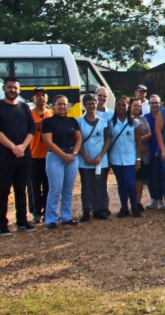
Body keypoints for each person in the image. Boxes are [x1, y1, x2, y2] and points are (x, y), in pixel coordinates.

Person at [0, 77, 37, 235]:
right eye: (9, 87)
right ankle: (2, 224)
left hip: (24, 156)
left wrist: (22, 147)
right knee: (3, 191)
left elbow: (31, 129)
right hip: (4, 157)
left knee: (21, 190)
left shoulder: (24, 107)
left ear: (19, 90)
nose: (12, 90)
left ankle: (22, 221)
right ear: (4, 88)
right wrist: (12, 147)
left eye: (15, 88)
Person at [41, 94, 82, 227]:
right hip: (55, 157)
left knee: (68, 189)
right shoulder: (48, 122)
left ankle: (66, 216)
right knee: (55, 189)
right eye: (59, 103)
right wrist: (64, 155)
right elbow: (48, 141)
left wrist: (74, 153)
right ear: (54, 106)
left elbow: (79, 139)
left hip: (71, 156)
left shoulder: (72, 121)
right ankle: (51, 219)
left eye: (64, 104)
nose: (62, 106)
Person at [77, 93, 111, 222]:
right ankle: (86, 210)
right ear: (84, 105)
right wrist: (85, 157)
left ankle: (100, 209)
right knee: (86, 185)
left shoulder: (103, 122)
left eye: (93, 103)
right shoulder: (78, 122)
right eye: (88, 103)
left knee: (100, 184)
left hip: (100, 159)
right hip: (84, 159)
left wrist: (100, 156)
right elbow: (78, 141)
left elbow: (107, 140)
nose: (91, 105)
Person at [109, 95, 144, 217]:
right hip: (116, 158)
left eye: (124, 105)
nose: (121, 107)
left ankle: (134, 205)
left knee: (130, 183)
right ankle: (124, 207)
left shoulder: (135, 123)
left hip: (130, 158)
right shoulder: (111, 123)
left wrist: (138, 159)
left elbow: (138, 142)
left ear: (128, 106)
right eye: (119, 104)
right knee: (121, 184)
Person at [29, 87, 52, 223]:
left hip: (49, 155)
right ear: (33, 99)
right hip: (33, 155)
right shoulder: (29, 114)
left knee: (49, 185)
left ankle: (47, 210)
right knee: (34, 186)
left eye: (43, 95)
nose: (41, 98)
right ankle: (36, 211)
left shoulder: (51, 113)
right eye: (37, 95)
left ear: (47, 98)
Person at [141, 95, 162, 211]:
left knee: (158, 176)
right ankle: (153, 198)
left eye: (156, 103)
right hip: (148, 151)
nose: (154, 105)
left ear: (160, 104)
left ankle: (160, 199)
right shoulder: (145, 118)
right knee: (150, 177)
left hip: (161, 150)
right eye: (152, 103)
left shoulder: (163, 116)